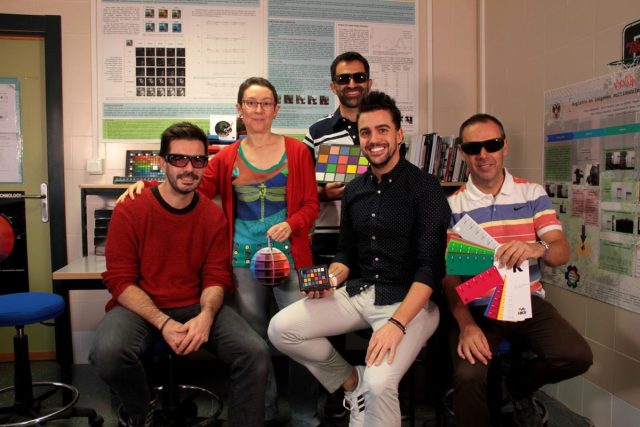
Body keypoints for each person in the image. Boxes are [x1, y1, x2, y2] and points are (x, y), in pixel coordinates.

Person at [118, 77, 321, 427]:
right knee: (255, 341)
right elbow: (191, 184)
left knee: (302, 334)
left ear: (277, 109)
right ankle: (266, 410)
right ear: (238, 109)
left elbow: (311, 204)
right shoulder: (226, 157)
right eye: (251, 103)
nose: (259, 110)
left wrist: (294, 223)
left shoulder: (298, 151)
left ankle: (304, 412)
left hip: (290, 258)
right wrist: (147, 184)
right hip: (242, 261)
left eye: (266, 102)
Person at [268, 91, 450, 427]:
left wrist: (397, 325)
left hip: (412, 303)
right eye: (366, 132)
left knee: (381, 385)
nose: (374, 139)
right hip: (360, 291)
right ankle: (353, 382)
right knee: (282, 329)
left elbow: (430, 268)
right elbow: (346, 255)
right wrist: (329, 280)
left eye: (383, 130)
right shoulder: (355, 190)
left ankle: (370, 386)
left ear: (398, 135)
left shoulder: (426, 188)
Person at [90, 122, 269, 427]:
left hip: (195, 305)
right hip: (142, 308)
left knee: (255, 352)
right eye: (179, 159)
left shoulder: (212, 215)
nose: (189, 168)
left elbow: (216, 277)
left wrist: (206, 316)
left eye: (198, 160)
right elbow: (120, 281)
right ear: (162, 163)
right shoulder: (131, 210)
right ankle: (140, 408)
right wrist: (163, 321)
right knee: (107, 352)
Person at [443, 113, 593, 427]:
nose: (483, 155)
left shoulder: (531, 193)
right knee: (468, 376)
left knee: (577, 356)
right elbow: (449, 275)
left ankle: (518, 387)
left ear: (504, 146)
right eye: (473, 148)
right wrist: (466, 325)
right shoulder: (452, 206)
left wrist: (539, 248)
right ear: (462, 153)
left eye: (492, 144)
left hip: (527, 300)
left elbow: (561, 251)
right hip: (478, 306)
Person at [303, 51, 372, 419]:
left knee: (372, 311)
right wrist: (322, 192)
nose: (351, 84)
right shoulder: (315, 133)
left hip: (372, 241)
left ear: (369, 82)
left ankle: (373, 388)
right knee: (320, 314)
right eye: (343, 79)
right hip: (324, 240)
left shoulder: (383, 128)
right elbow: (300, 190)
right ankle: (337, 387)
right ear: (333, 86)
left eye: (358, 77)